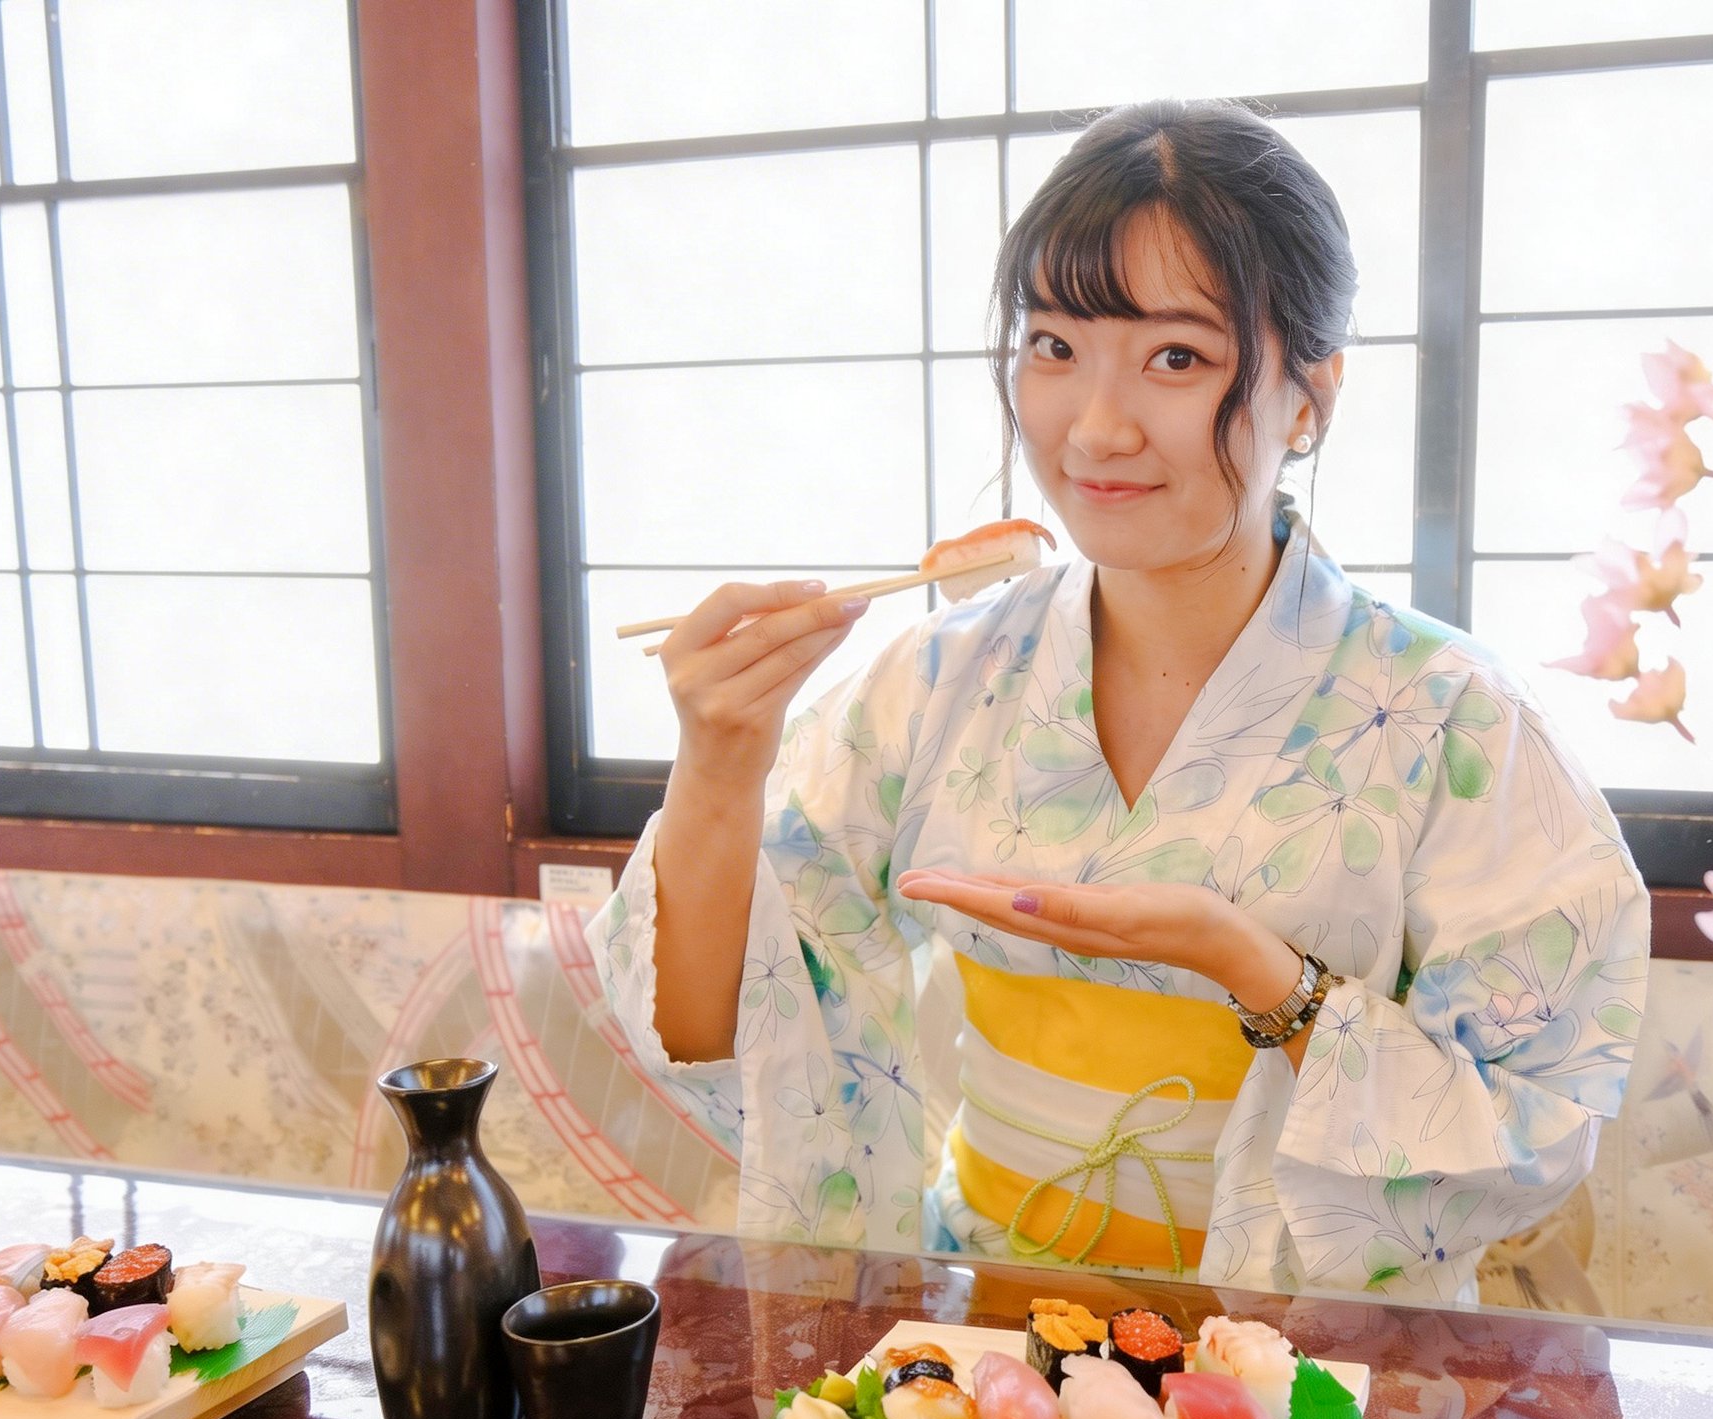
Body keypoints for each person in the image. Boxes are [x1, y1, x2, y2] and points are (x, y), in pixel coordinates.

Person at [595, 99, 1647, 1301]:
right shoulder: (939, 676)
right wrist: (718, 765)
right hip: (983, 1347)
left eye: (1177, 358)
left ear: (1309, 397)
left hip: (1300, 1360)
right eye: (1053, 347)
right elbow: (722, 1034)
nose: (1094, 427)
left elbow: (1535, 1123)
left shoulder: (1450, 718)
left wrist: (1261, 974)